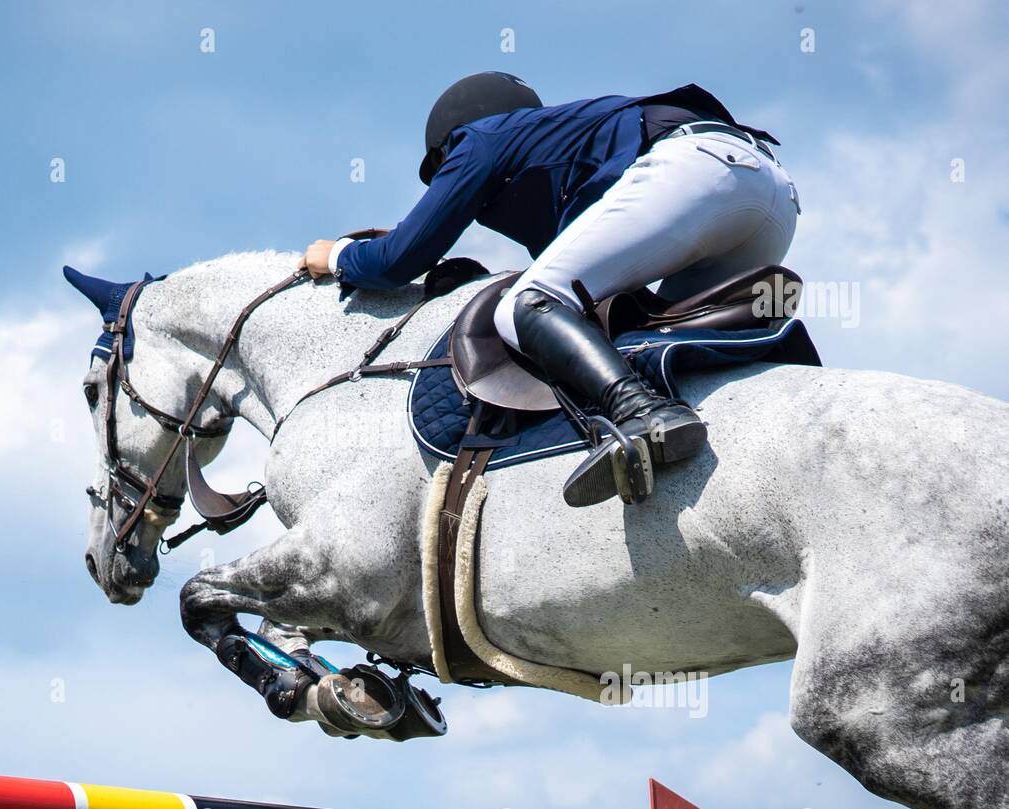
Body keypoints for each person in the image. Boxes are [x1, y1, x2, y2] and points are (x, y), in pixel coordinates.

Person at [300, 73, 800, 506]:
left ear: (450, 143)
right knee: (660, 335)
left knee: (527, 303)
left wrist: (339, 255)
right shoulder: (567, 150)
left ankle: (641, 414)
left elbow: (398, 260)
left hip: (698, 172)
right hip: (772, 195)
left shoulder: (480, 138)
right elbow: (579, 276)